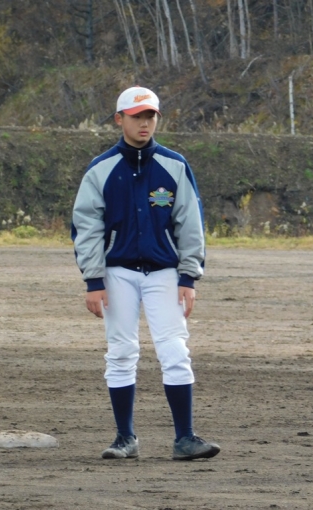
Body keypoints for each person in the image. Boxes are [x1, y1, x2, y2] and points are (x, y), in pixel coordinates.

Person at [71, 86, 220, 461]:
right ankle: (125, 438)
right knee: (121, 351)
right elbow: (86, 226)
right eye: (137, 116)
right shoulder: (100, 169)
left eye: (151, 116)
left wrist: (189, 277)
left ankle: (185, 438)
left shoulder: (174, 165)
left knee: (175, 350)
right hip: (116, 272)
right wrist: (93, 280)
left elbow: (190, 223)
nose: (145, 123)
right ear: (119, 119)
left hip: (164, 272)